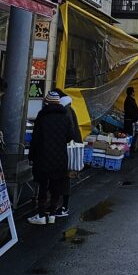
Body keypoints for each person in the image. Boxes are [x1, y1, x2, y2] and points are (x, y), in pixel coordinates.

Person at [28, 91, 74, 225]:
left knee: (43, 184)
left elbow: (35, 139)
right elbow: (70, 135)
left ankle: (41, 215)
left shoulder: (42, 117)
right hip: (60, 156)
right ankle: (52, 214)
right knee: (56, 185)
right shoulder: (65, 116)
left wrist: (31, 156)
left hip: (43, 156)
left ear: (46, 103)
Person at [51, 88, 81, 218]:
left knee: (63, 177)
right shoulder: (67, 108)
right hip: (65, 148)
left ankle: (63, 207)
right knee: (63, 177)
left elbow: (68, 131)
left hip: (65, 149)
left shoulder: (65, 110)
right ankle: (59, 205)